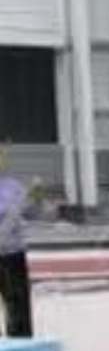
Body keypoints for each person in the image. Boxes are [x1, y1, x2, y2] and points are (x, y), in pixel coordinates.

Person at [0, 146, 43, 341]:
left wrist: (36, 198)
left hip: (13, 255)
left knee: (18, 305)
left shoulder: (13, 186)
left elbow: (32, 214)